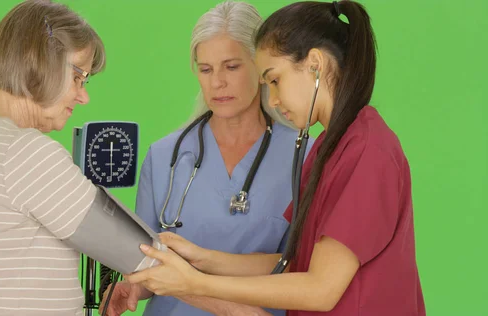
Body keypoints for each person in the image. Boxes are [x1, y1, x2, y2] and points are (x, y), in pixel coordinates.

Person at [125, 1, 426, 316]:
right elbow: (293, 264)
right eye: (205, 69)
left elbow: (320, 289)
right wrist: (203, 259)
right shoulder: (333, 147)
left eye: (274, 79)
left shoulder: (366, 151)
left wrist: (194, 284)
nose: (274, 97)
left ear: (314, 64)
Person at [99, 1, 311, 316]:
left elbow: (302, 269)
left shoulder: (303, 155)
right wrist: (129, 287)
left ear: (261, 66)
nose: (217, 83)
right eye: (206, 69)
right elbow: (148, 264)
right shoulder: (165, 157)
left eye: (232, 66)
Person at [0, 1, 119, 315]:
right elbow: (130, 250)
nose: (84, 95)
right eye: (78, 77)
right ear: (40, 61)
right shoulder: (25, 151)